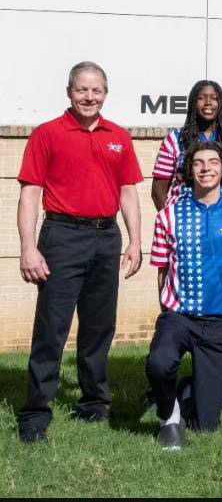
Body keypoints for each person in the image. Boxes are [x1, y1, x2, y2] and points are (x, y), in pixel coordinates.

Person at [16, 61, 143, 443]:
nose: (89, 97)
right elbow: (30, 194)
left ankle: (94, 405)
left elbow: (128, 192)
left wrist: (136, 240)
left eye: (96, 90)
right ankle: (37, 410)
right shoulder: (48, 135)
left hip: (107, 238)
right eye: (82, 90)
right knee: (52, 328)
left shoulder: (119, 136)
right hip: (62, 237)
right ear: (70, 92)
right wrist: (28, 248)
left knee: (99, 327)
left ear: (106, 93)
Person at [146, 141, 222, 449]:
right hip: (178, 316)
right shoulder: (169, 214)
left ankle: (190, 389)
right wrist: (165, 313)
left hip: (218, 320)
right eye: (198, 163)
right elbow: (162, 270)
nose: (206, 168)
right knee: (159, 362)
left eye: (213, 162)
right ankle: (170, 412)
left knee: (207, 425)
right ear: (189, 171)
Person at [151, 80, 222, 208]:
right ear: (193, 103)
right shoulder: (175, 140)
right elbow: (158, 192)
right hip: (185, 217)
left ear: (221, 103)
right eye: (201, 98)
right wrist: (169, 219)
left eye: (214, 98)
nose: (208, 103)